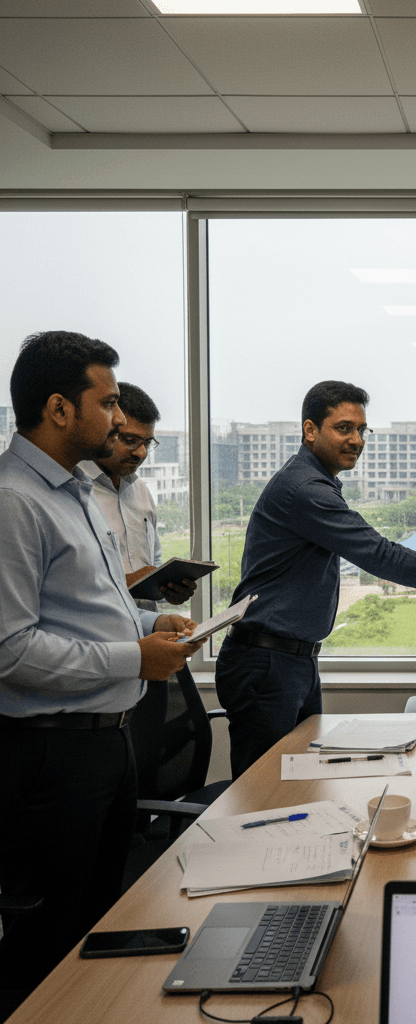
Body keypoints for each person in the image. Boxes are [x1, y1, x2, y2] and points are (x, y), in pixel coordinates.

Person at [0, 331, 203, 996]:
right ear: (59, 408)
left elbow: (92, 608)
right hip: (49, 756)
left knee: (100, 930)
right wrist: (132, 656)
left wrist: (151, 624)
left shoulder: (79, 493)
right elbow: (10, 649)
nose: (120, 420)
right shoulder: (13, 502)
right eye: (108, 402)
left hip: (107, 746)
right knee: (49, 945)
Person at [214, 380, 416, 779]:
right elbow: (381, 555)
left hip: (290, 659)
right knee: (263, 797)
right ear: (310, 430)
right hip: (268, 663)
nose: (356, 439)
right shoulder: (306, 490)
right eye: (343, 428)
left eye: (361, 430)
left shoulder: (314, 482)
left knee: (299, 790)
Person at [83, 381, 195, 611]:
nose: (141, 453)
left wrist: (168, 590)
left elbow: (152, 564)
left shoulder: (141, 492)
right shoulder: (74, 490)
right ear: (107, 427)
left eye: (147, 443)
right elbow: (66, 587)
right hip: (98, 641)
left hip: (145, 634)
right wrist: (129, 581)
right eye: (131, 440)